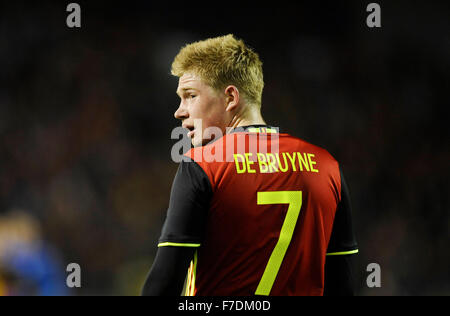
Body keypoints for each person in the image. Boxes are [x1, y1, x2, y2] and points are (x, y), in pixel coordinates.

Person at [142, 34, 358, 296]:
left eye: (190, 95)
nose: (179, 111)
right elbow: (342, 285)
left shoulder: (203, 165)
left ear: (231, 97)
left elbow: (165, 282)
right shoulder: (327, 166)